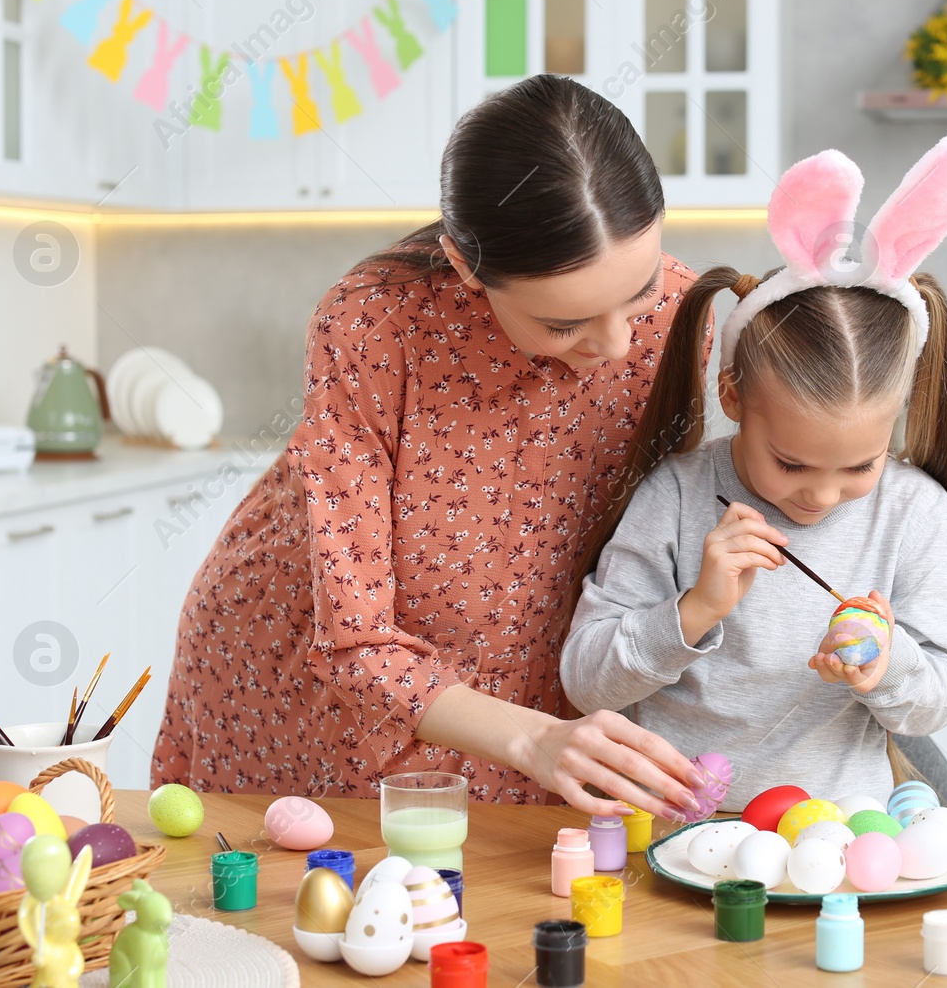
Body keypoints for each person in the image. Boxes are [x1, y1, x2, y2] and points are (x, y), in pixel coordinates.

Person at [151, 75, 706, 822]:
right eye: (563, 325)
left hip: (542, 699)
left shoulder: (686, 313)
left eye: (638, 294)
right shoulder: (376, 323)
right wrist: (535, 738)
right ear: (469, 269)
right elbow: (352, 638)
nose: (613, 346)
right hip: (313, 677)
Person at [562, 134, 947, 807]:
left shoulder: (915, 513)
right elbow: (586, 678)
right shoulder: (674, 495)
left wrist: (886, 659)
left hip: (839, 842)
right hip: (681, 841)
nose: (819, 493)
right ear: (733, 396)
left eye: (860, 464)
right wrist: (694, 611)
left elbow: (937, 700)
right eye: (790, 461)